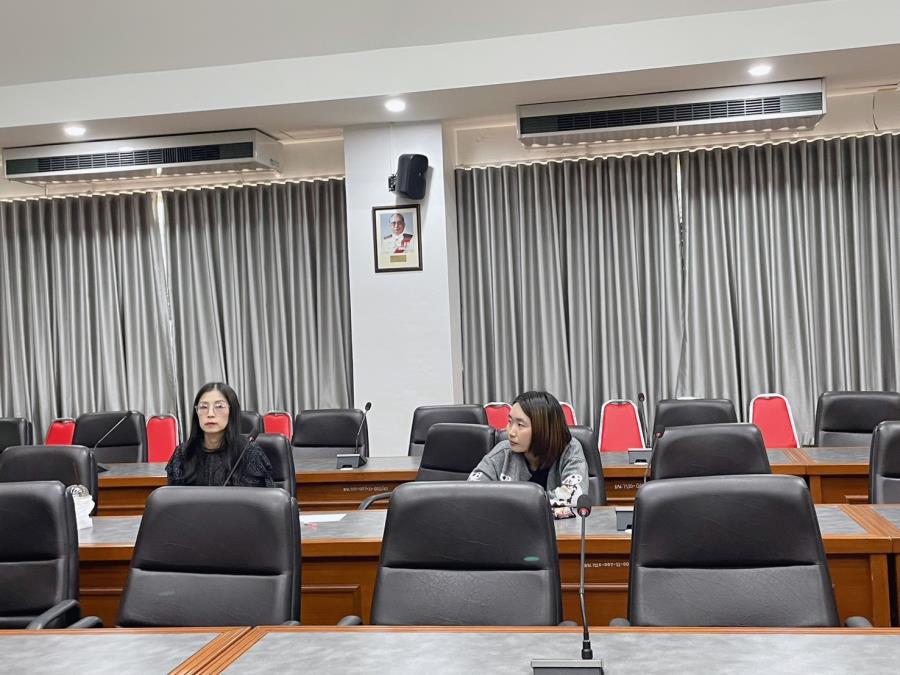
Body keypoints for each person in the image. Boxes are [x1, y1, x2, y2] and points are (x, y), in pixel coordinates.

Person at [468, 390, 587, 518]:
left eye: (520, 424)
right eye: (510, 422)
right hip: (512, 529)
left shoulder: (570, 449)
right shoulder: (503, 452)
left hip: (563, 529)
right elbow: (470, 493)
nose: (511, 432)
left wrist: (512, 503)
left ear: (544, 429)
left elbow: (574, 496)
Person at [166, 382, 274, 487]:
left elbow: (264, 498)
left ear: (231, 411)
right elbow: (171, 497)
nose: (210, 414)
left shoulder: (248, 452)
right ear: (196, 412)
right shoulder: (183, 453)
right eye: (203, 407)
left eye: (219, 406)